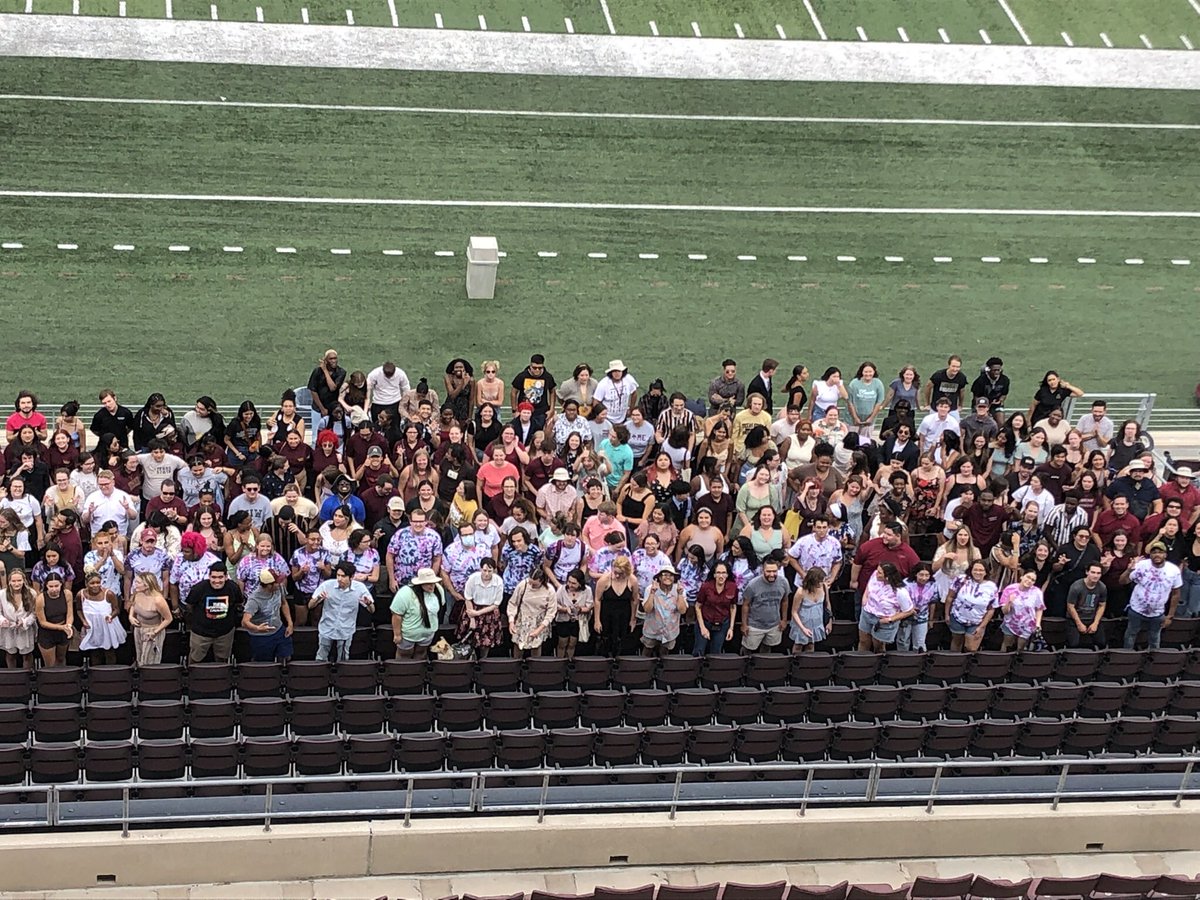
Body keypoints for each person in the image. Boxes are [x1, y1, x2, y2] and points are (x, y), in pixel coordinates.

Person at [1121, 541, 1182, 649]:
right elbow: (1123, 581)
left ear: (1165, 555)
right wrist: (1129, 569)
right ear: (1150, 555)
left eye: (1160, 552)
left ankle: (1153, 662)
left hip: (1157, 613)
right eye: (1154, 552)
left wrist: (1170, 616)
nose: (1157, 555)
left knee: (1154, 638)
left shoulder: (1173, 570)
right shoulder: (1141, 565)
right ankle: (1127, 658)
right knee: (1131, 634)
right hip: (1136, 610)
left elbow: (1176, 594)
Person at [311, 560, 374, 661]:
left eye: (343, 576)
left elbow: (372, 610)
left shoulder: (360, 588)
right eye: (338, 575)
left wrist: (369, 604)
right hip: (327, 627)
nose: (339, 579)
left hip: (345, 630)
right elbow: (310, 605)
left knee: (343, 660)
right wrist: (318, 598)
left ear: (352, 577)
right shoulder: (327, 585)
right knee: (321, 657)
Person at [183, 562, 244, 664]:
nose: (217, 581)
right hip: (201, 632)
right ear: (209, 576)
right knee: (194, 659)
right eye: (214, 577)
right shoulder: (199, 588)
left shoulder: (233, 588)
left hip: (225, 633)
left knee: (222, 660)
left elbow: (238, 603)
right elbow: (189, 606)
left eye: (220, 577)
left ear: (226, 577)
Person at [944, 560, 999, 652]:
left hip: (977, 621)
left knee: (971, 648)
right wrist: (947, 614)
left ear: (986, 572)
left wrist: (982, 626)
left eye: (981, 570)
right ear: (971, 570)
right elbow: (950, 597)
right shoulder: (961, 579)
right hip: (957, 617)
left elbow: (991, 609)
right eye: (975, 569)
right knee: (956, 642)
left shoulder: (992, 587)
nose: (978, 572)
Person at [242, 568, 295, 662]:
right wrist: (257, 628)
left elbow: (284, 603)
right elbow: (245, 621)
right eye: (277, 582)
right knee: (264, 665)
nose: (280, 584)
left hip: (279, 630)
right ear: (269, 585)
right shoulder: (254, 599)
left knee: (286, 657)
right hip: (261, 636)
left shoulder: (280, 588)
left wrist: (290, 623)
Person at [390, 566, 443, 659]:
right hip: (409, 634)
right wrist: (397, 634)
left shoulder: (438, 590)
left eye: (433, 583)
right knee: (404, 655)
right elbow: (397, 615)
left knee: (421, 653)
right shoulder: (405, 593)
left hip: (428, 633)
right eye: (428, 583)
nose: (432, 586)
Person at [739, 557, 789, 653]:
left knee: (767, 651)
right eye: (768, 571)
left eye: (774, 571)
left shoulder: (784, 582)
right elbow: (745, 605)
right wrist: (744, 624)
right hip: (754, 626)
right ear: (763, 570)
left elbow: (785, 601)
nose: (771, 574)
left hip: (774, 625)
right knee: (748, 649)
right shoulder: (753, 585)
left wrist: (784, 619)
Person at [77, 568, 126, 664]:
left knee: (109, 651)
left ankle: (111, 674)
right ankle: (96, 674)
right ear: (86, 584)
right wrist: (83, 621)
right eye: (92, 583)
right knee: (95, 652)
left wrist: (111, 616)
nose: (95, 586)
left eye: (98, 583)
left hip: (107, 625)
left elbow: (116, 609)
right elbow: (79, 609)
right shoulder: (81, 594)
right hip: (92, 626)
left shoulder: (109, 594)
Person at [460, 556, 504, 657]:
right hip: (472, 609)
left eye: (490, 571)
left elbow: (496, 604)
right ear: (480, 569)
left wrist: (478, 613)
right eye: (484, 570)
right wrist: (472, 618)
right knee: (469, 639)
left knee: (486, 642)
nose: (487, 574)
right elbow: (468, 598)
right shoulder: (472, 579)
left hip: (489, 612)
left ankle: (483, 660)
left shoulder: (498, 582)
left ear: (494, 570)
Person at [508, 565, 556, 658]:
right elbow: (513, 603)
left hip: (539, 622)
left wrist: (540, 629)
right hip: (522, 619)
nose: (531, 585)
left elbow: (551, 612)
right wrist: (511, 621)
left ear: (541, 581)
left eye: (534, 584)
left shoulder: (549, 590)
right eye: (530, 582)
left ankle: (535, 668)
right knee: (518, 645)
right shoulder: (523, 585)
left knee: (536, 646)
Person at [640, 564, 687, 657]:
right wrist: (652, 593)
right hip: (652, 629)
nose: (667, 577)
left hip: (670, 631)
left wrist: (680, 594)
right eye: (665, 575)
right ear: (659, 578)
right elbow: (647, 609)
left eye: (670, 575)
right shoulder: (650, 589)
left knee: (664, 654)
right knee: (646, 652)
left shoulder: (680, 589)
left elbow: (682, 611)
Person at [128, 572, 173, 666]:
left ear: (147, 585)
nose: (135, 584)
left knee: (149, 659)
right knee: (140, 656)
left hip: (152, 631)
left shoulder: (158, 600)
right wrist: (131, 616)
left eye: (138, 582)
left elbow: (168, 619)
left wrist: (155, 632)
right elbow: (133, 605)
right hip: (139, 629)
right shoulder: (138, 594)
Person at [998, 569, 1046, 651]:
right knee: (1007, 645)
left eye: (1033, 580)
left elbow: (1039, 608)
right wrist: (1009, 602)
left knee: (1021, 648)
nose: (1029, 581)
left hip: (1028, 625)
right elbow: (1004, 611)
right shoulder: (1010, 589)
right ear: (1022, 577)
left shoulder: (1037, 592)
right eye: (1028, 577)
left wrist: (1038, 624)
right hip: (1011, 623)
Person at [34, 572, 74, 667]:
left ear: (61, 584)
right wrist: (61, 627)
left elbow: (70, 614)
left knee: (61, 658)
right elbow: (42, 622)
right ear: (46, 586)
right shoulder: (40, 599)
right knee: (50, 665)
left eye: (56, 586)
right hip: (47, 633)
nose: (54, 589)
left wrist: (68, 625)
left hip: (63, 631)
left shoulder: (67, 594)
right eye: (51, 586)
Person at [308, 349, 347, 443]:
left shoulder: (341, 372)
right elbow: (313, 390)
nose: (334, 361)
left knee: (331, 435)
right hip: (318, 407)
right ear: (325, 360)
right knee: (315, 437)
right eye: (331, 359)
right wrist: (322, 408)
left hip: (332, 408)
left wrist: (325, 370)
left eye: (335, 358)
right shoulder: (317, 372)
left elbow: (332, 387)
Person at [897, 563, 939, 652]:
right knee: (903, 641)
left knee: (920, 643)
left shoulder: (933, 585)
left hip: (922, 617)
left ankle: (919, 662)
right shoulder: (906, 583)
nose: (924, 578)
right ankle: (902, 661)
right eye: (921, 575)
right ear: (916, 574)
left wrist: (930, 620)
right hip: (906, 617)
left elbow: (932, 603)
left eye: (927, 575)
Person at [1065, 562, 1108, 649]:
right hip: (1075, 618)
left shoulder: (1102, 587)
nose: (1095, 576)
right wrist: (1079, 623)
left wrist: (1095, 623)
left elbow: (1102, 605)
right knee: (1073, 644)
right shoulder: (1076, 587)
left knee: (1102, 643)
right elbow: (1070, 606)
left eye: (1098, 573)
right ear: (1087, 572)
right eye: (1093, 572)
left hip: (1092, 618)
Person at [789, 566, 830, 653]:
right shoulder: (800, 592)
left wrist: (829, 621)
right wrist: (803, 628)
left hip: (817, 622)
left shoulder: (824, 587)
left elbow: (827, 604)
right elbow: (794, 612)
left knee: (811, 645)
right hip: (802, 623)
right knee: (798, 646)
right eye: (819, 581)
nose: (821, 583)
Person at [970, 357, 1010, 422]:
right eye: (994, 370)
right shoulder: (980, 381)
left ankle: (1000, 431)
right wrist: (985, 407)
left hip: (996, 405)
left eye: (998, 370)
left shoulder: (1005, 380)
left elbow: (1004, 394)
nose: (997, 372)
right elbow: (976, 397)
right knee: (982, 421)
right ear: (988, 369)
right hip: (981, 404)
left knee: (1001, 420)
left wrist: (1000, 401)